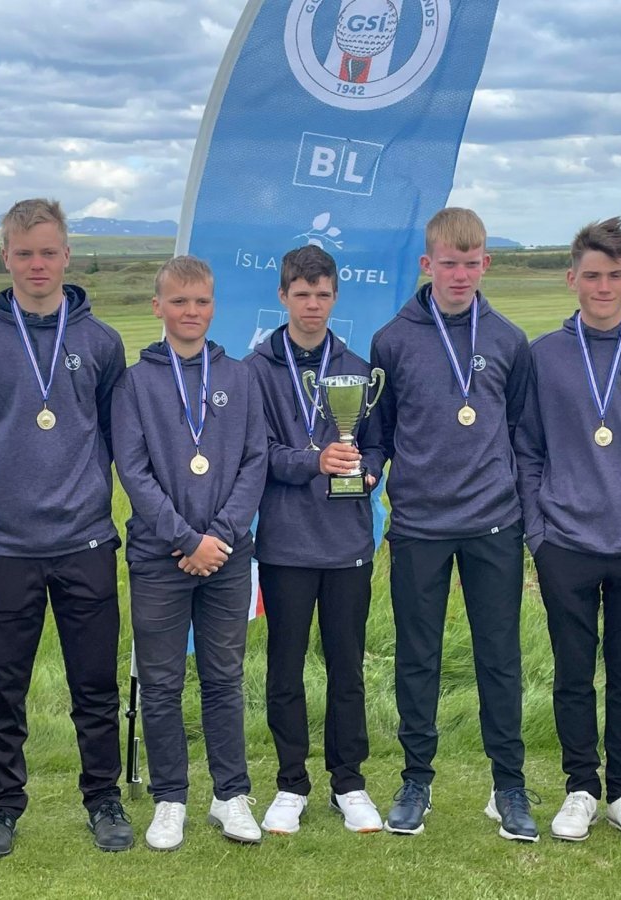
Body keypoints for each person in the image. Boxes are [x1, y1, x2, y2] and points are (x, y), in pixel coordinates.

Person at [0, 198, 132, 857]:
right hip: (6, 548)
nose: (37, 264)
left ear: (67, 256)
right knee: (2, 689)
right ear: (6, 257)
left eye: (48, 252)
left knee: (95, 686)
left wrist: (82, 495)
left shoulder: (102, 342)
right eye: (24, 253)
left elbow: (113, 435)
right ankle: (1, 807)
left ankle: (103, 799)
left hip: (85, 541)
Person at [514, 217, 621, 847]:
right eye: (592, 275)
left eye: (615, 275)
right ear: (572, 279)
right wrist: (538, 533)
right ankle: (581, 788)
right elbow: (527, 451)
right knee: (572, 673)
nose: (604, 287)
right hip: (566, 542)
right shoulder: (543, 355)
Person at [369, 208, 537, 840]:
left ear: (485, 264)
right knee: (419, 658)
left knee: (500, 657)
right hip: (420, 524)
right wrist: (364, 473)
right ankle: (416, 779)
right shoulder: (393, 340)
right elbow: (381, 432)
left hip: (494, 522)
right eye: (448, 263)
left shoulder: (509, 339)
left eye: (470, 263)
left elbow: (518, 430)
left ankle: (508, 786)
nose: (460, 274)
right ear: (427, 264)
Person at [112, 255, 267, 851]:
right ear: (158, 307)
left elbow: (254, 460)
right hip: (160, 558)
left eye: (201, 301)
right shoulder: (135, 383)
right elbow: (133, 470)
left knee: (224, 678)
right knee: (160, 683)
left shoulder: (239, 376)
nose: (191, 311)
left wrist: (218, 538)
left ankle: (230, 796)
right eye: (179, 301)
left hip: (227, 555)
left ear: (213, 306)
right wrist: (185, 540)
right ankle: (170, 799)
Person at [245, 245, 386, 836]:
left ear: (334, 297)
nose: (312, 305)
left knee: (346, 667)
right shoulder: (256, 369)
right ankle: (290, 784)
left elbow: (376, 442)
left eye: (322, 294)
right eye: (301, 294)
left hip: (347, 542)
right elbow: (256, 453)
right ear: (283, 296)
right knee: (285, 668)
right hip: (285, 545)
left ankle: (348, 782)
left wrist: (368, 470)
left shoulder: (356, 367)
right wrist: (313, 460)